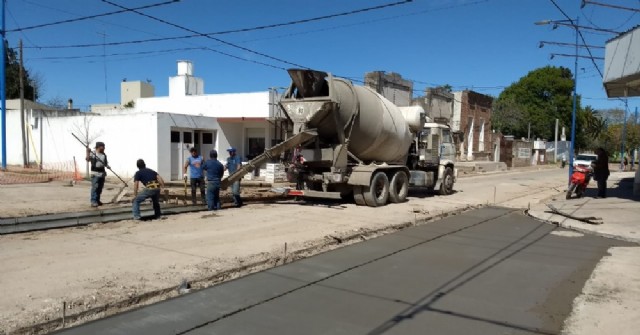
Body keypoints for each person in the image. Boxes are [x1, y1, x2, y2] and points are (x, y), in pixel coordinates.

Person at [86, 141, 109, 207]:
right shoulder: (93, 153)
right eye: (103, 147)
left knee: (100, 188)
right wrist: (87, 152)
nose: (104, 148)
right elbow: (87, 159)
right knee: (95, 188)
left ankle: (97, 200)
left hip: (102, 174)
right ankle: (93, 201)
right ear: (98, 147)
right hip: (95, 173)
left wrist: (107, 166)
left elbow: (106, 163)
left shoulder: (104, 155)